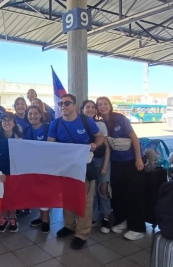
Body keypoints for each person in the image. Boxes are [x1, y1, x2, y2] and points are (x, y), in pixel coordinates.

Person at [45, 94, 104, 250]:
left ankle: (82, 234)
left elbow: (100, 138)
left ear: (75, 105)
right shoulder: (55, 124)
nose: (63, 105)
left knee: (85, 201)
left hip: (84, 167)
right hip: (65, 169)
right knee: (67, 199)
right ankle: (69, 226)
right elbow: (50, 146)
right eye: (60, 103)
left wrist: (94, 145)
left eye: (67, 103)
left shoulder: (86, 121)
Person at [96, 96, 146, 241]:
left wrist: (138, 158)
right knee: (117, 193)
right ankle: (122, 220)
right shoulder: (100, 123)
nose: (102, 106)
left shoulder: (120, 118)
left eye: (105, 104)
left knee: (134, 194)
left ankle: (138, 228)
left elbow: (134, 137)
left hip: (131, 161)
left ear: (110, 106)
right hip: (115, 163)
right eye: (99, 104)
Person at [80, 100, 111, 234]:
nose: (91, 109)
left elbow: (107, 147)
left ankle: (105, 216)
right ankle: (92, 216)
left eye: (93, 107)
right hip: (86, 162)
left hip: (100, 160)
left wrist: (104, 166)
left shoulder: (101, 124)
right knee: (90, 191)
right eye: (88, 107)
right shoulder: (78, 124)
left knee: (103, 188)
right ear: (82, 109)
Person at [0, 112, 22, 233]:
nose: (7, 123)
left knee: (12, 194)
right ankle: (4, 217)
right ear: (1, 123)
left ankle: (13, 217)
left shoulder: (19, 137)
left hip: (14, 169)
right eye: (4, 120)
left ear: (14, 123)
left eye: (10, 120)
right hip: (0, 169)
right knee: (2, 193)